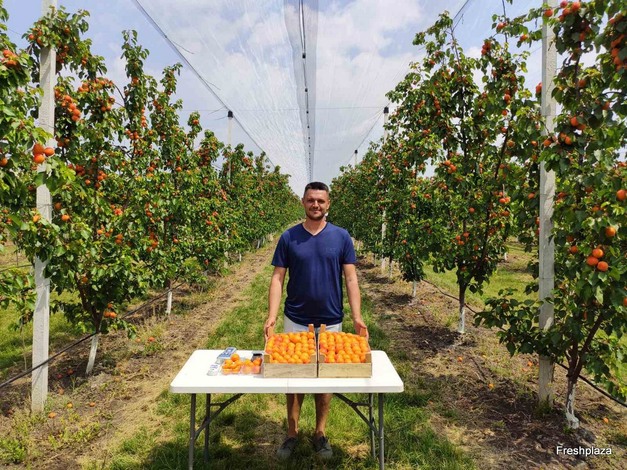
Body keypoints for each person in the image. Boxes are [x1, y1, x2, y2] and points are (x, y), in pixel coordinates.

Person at [264, 181, 367, 461]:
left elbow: (351, 278)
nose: (316, 205)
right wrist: (272, 316)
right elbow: (277, 278)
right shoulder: (289, 237)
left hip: (330, 320)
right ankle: (292, 432)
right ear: (303, 202)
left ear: (328, 204)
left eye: (321, 201)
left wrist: (357, 316)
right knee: (293, 378)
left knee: (325, 380)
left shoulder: (341, 237)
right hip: (296, 318)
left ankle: (320, 432)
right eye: (311, 200)